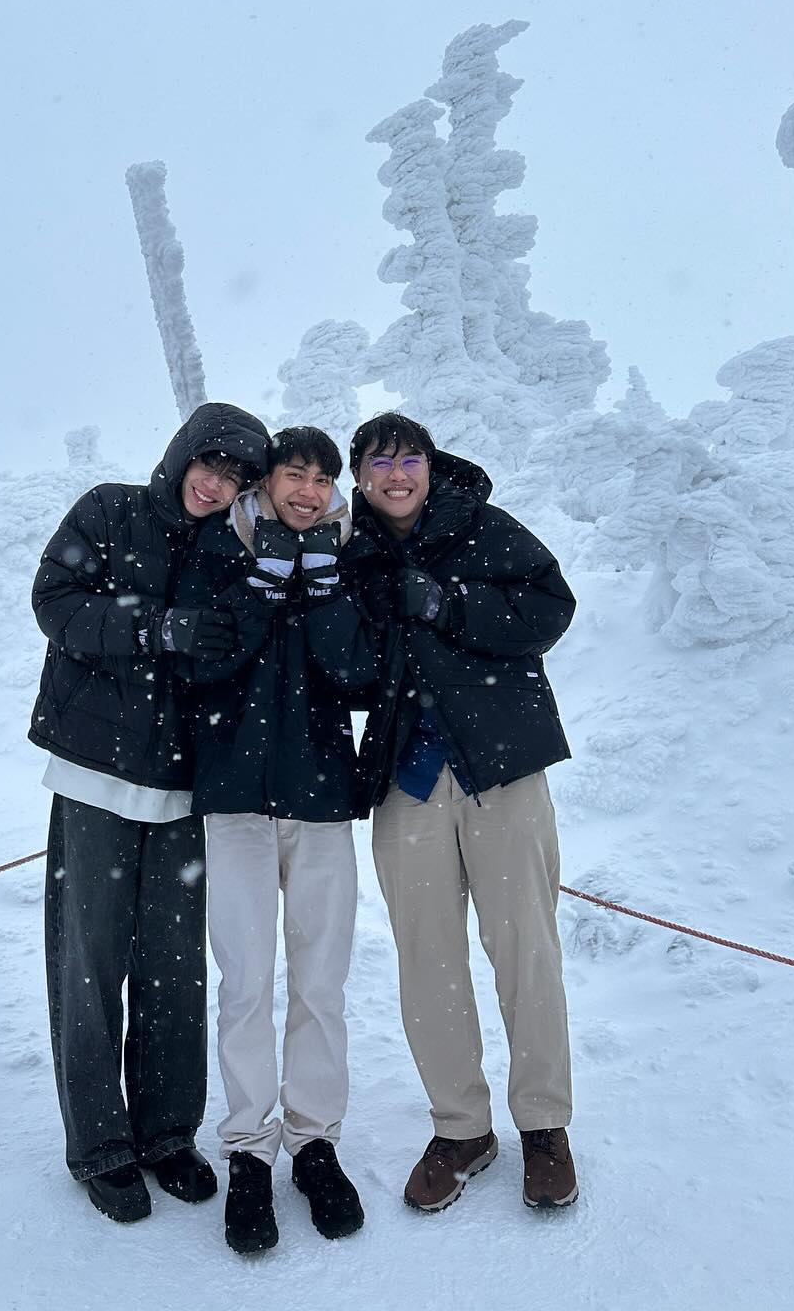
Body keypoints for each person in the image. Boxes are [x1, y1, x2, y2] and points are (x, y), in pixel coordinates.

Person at [29, 401, 270, 1224]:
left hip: (181, 788)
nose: (217, 484)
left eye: (235, 477)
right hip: (94, 775)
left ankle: (168, 1133)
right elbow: (54, 603)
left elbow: (240, 653)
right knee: (89, 962)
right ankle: (100, 1145)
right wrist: (155, 627)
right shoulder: (108, 510)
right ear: (181, 456)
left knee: (174, 965)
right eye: (211, 465)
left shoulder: (228, 553)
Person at [346, 411, 580, 1214]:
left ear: (429, 465)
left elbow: (551, 609)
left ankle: (544, 1125)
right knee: (428, 960)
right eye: (379, 463)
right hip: (405, 782)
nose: (396, 474)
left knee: (527, 948)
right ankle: (461, 1128)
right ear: (361, 478)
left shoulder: (482, 526)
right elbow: (344, 668)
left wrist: (449, 604)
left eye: (408, 457)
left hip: (501, 768)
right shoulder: (352, 554)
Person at [174, 426, 376, 1255]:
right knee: (247, 982)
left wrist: (324, 588)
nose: (310, 490)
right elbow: (202, 666)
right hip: (235, 801)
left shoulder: (346, 555)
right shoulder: (221, 551)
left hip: (322, 797)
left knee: (320, 982)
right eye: (296, 474)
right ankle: (250, 1152)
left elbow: (360, 674)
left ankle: (316, 1143)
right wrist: (260, 586)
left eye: (324, 479)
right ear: (267, 482)